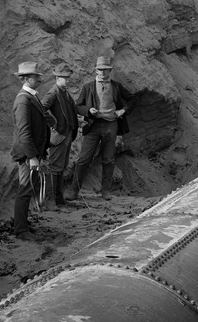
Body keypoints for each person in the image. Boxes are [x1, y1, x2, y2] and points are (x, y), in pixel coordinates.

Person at [69, 56, 135, 201]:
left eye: (105, 70)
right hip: (93, 126)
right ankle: (74, 191)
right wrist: (88, 110)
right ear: (96, 71)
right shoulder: (88, 87)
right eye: (100, 70)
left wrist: (123, 111)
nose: (103, 72)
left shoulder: (116, 86)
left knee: (108, 159)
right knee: (83, 159)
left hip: (111, 124)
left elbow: (131, 99)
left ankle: (106, 191)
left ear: (109, 71)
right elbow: (78, 106)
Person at [8, 61, 57, 239]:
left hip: (33, 153)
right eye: (36, 77)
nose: (39, 79)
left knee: (28, 188)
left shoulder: (31, 96)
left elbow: (40, 119)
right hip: (28, 154)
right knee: (24, 189)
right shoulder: (23, 100)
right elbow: (24, 132)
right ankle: (20, 230)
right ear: (27, 78)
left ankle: (23, 224)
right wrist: (32, 157)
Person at [41, 64, 81, 209]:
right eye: (65, 78)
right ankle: (51, 200)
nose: (68, 80)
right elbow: (40, 109)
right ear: (57, 78)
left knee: (61, 166)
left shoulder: (64, 92)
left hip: (67, 134)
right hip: (60, 135)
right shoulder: (53, 93)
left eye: (68, 77)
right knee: (54, 167)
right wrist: (53, 124)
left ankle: (59, 198)